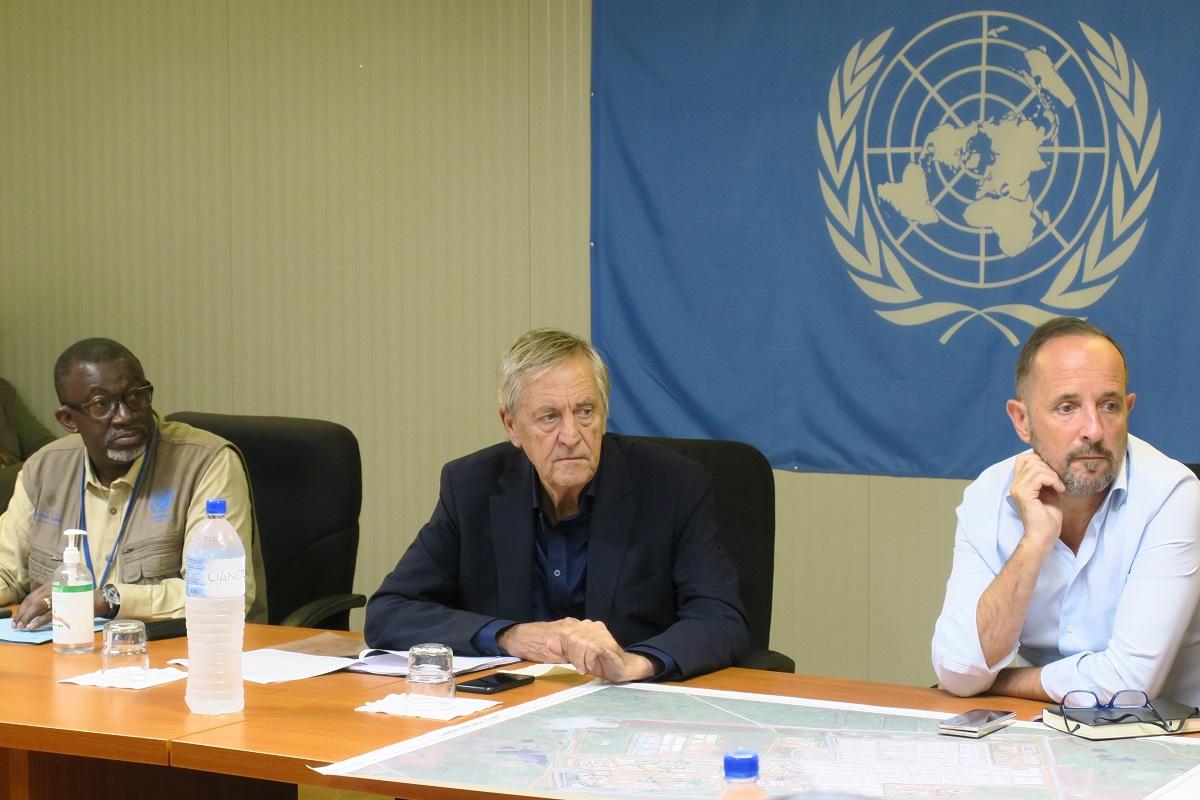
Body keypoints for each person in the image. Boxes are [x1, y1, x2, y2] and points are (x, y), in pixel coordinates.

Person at [365, 328, 749, 681]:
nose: (571, 435)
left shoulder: (672, 486)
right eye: (549, 417)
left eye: (585, 412)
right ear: (511, 426)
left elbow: (721, 619)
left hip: (629, 703)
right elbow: (390, 612)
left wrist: (637, 663)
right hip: (512, 705)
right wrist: (510, 636)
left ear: (604, 414)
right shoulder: (471, 486)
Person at [931, 317, 1200, 705]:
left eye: (1109, 406)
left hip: (1168, 731)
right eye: (1067, 407)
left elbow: (1129, 688)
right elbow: (957, 670)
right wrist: (1034, 543)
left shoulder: (1170, 494)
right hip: (1038, 727)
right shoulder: (989, 497)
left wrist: (999, 681)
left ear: (1128, 410)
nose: (1094, 429)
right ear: (1022, 421)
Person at [0, 338, 268, 628]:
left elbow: (220, 593)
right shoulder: (43, 468)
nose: (125, 415)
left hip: (186, 647)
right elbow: (7, 572)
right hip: (65, 646)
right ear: (68, 419)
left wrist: (107, 600)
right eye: (101, 404)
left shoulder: (206, 462)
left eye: (135, 397)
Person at [0, 377, 58, 511]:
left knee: (66, 461)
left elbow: (45, 445)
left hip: (20, 481)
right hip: (16, 482)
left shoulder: (3, 392)